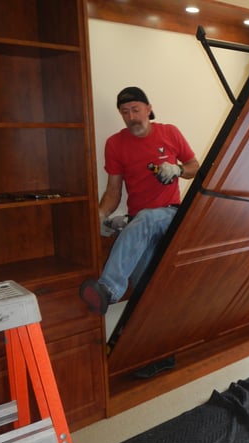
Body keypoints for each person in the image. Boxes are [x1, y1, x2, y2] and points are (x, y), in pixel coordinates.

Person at [80, 86, 200, 315]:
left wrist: (178, 169)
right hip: (138, 222)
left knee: (146, 218)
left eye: (135, 109)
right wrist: (100, 216)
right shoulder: (115, 144)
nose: (131, 117)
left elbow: (195, 167)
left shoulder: (170, 132)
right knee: (145, 294)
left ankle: (107, 290)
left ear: (149, 109)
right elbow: (113, 192)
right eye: (125, 112)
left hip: (171, 215)